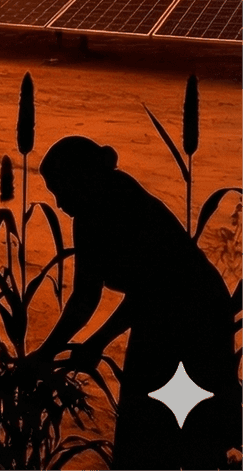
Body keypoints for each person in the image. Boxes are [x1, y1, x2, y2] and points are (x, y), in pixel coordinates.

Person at [32, 136, 241, 469]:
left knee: (185, 423)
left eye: (60, 190)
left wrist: (97, 341)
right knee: (141, 419)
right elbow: (85, 296)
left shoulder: (123, 202)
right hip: (156, 315)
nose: (58, 203)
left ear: (81, 178)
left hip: (197, 311)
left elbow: (152, 285)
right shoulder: (86, 218)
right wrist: (47, 350)